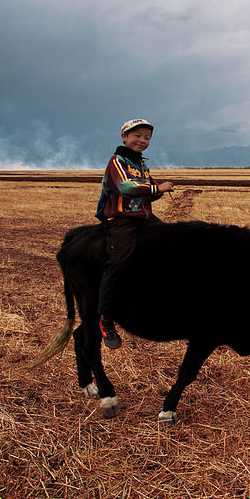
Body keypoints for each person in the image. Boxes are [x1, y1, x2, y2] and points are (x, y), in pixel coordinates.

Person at [95, 118, 174, 349]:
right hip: (121, 219)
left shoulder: (141, 165)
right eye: (137, 135)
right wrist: (156, 188)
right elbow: (125, 188)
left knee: (173, 242)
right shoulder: (117, 161)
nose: (142, 140)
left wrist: (160, 189)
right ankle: (106, 318)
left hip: (143, 217)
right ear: (124, 137)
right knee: (118, 262)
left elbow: (147, 192)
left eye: (147, 137)